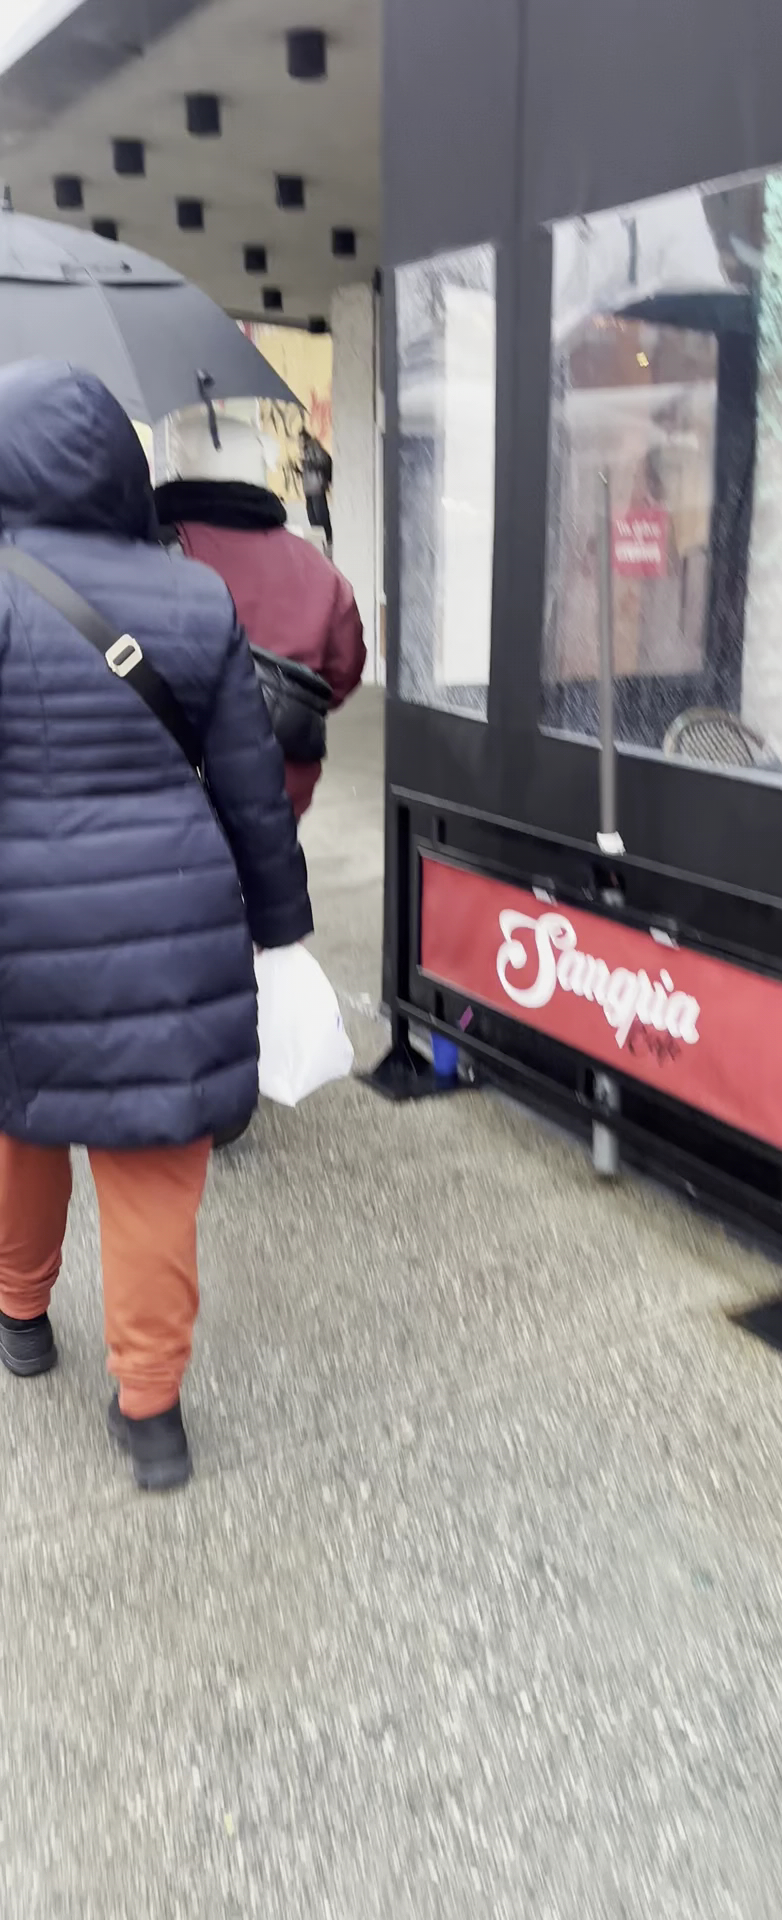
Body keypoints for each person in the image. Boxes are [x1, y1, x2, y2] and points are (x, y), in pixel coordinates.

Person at [0, 360, 313, 1492]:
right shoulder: (193, 595)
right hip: (175, 914)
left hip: (21, 924)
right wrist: (280, 930)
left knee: (22, 1126)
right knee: (152, 1173)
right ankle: (152, 1412)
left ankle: (21, 1317)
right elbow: (252, 788)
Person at [155, 412, 367, 821]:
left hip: (174, 783)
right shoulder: (318, 569)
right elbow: (342, 675)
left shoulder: (150, 553)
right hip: (282, 784)